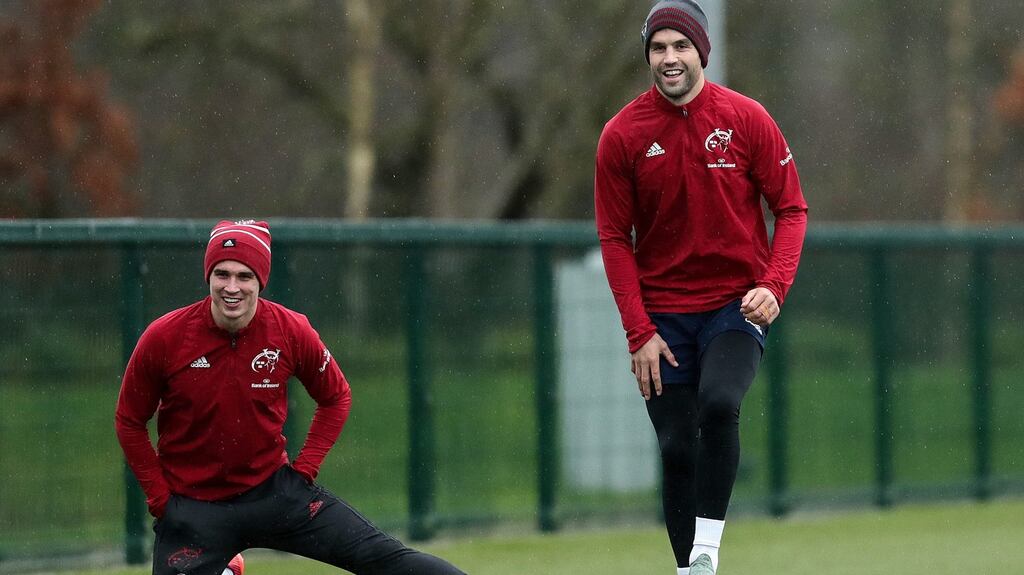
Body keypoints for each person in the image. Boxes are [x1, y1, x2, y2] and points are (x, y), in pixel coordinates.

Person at [115, 220, 466, 575]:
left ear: (260, 281)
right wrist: (161, 500)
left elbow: (336, 396)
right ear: (208, 277)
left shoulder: (290, 330)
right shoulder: (165, 336)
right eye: (222, 274)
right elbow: (129, 419)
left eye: (244, 276)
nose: (231, 287)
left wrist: (305, 469)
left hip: (274, 494)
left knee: (385, 558)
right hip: (193, 508)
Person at [594, 2, 808, 574]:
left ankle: (706, 551)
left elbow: (791, 208)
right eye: (658, 48)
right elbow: (614, 238)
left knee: (719, 404)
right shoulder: (622, 135)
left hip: (734, 306)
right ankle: (689, 569)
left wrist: (774, 285)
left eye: (680, 46)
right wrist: (639, 332)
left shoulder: (746, 119)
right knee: (676, 447)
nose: (669, 58)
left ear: (701, 51)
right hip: (661, 320)